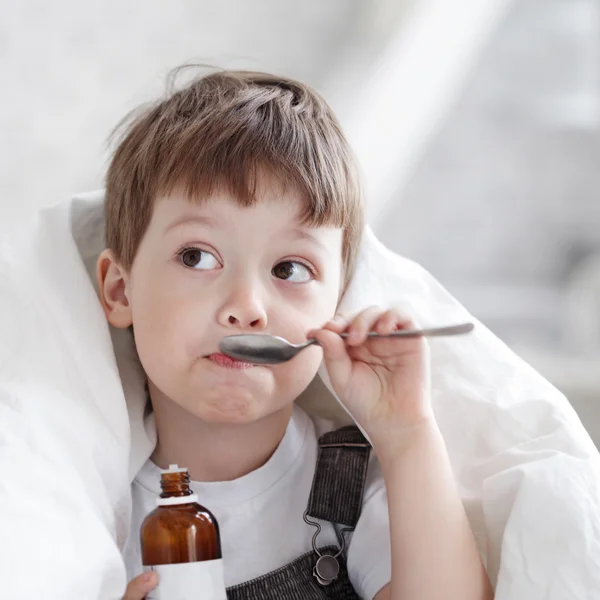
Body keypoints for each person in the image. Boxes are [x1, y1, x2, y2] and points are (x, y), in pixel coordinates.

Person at [96, 67, 493, 600]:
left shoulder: (356, 489)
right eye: (197, 256)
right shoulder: (89, 513)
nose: (247, 308)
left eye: (289, 269)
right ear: (121, 291)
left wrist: (407, 433)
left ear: (337, 304)